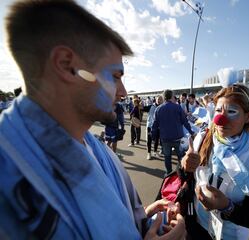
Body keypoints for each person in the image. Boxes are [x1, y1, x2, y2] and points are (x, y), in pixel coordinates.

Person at [0, 1, 185, 239]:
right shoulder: (7, 178)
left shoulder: (94, 146)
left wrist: (144, 220)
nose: (124, 92)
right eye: (115, 76)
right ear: (67, 66)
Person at [181, 84, 249, 240]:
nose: (220, 119)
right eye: (218, 111)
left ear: (248, 117)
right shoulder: (202, 139)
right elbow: (184, 174)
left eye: (231, 112)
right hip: (196, 226)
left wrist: (226, 206)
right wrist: (184, 163)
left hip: (230, 235)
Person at [152, 90, 194, 174]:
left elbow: (155, 125)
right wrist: (192, 132)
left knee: (167, 157)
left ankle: (169, 173)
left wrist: (153, 137)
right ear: (171, 96)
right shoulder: (177, 107)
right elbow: (185, 121)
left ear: (164, 97)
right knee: (181, 157)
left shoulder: (158, 109)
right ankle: (182, 174)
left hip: (165, 138)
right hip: (178, 138)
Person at [146, 95, 163, 160]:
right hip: (150, 126)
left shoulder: (163, 108)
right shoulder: (151, 106)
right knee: (149, 140)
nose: (159, 100)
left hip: (158, 127)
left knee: (156, 140)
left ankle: (155, 152)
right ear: (155, 100)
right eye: (158, 99)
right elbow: (141, 108)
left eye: (160, 99)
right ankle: (149, 153)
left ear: (163, 100)